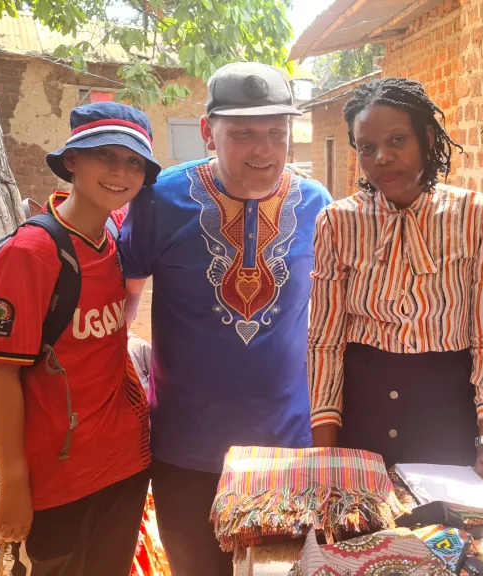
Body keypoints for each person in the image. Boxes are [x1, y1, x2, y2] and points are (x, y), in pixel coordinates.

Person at [118, 62, 332, 574]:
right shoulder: (160, 200)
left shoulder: (315, 204)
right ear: (208, 133)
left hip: (286, 449)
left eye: (276, 132)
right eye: (243, 134)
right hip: (186, 449)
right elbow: (122, 307)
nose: (264, 149)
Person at [0, 102, 156, 575]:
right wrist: (12, 481)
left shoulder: (116, 240)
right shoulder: (33, 252)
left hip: (126, 461)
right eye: (105, 155)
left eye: (134, 162)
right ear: (73, 160)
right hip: (58, 476)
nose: (120, 172)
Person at [307, 78, 483, 478]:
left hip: (447, 417)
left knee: (442, 519)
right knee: (361, 518)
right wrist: (326, 450)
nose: (381, 157)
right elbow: (324, 342)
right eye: (367, 147)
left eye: (397, 140)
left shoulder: (478, 216)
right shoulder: (337, 222)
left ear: (427, 137)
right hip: (361, 413)